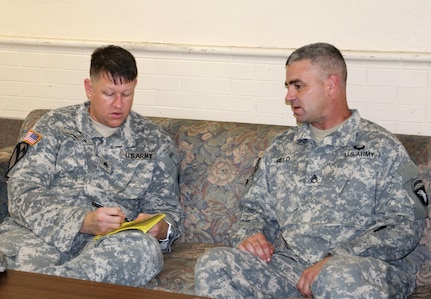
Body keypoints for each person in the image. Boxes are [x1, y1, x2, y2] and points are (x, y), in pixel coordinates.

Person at [194, 42, 430, 298]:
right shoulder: (282, 148)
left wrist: (336, 257)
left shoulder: (381, 147)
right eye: (288, 87)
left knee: (337, 277)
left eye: (298, 86)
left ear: (331, 85)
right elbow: (252, 210)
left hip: (361, 269)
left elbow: (404, 225)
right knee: (215, 263)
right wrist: (250, 235)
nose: (288, 96)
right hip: (292, 266)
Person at [0, 45, 182, 286]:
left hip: (106, 248)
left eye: (126, 94)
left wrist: (161, 228)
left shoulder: (155, 142)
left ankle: (46, 289)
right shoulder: (51, 126)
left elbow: (168, 212)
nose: (118, 104)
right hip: (43, 236)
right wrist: (81, 221)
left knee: (142, 251)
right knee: (19, 255)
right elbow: (20, 189)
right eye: (109, 94)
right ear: (89, 88)